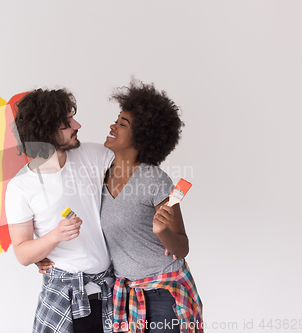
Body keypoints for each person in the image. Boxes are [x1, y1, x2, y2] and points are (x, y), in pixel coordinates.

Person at [5, 88, 116, 333]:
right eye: (67, 123)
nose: (77, 124)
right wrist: (55, 236)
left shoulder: (94, 155)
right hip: (63, 297)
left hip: (109, 293)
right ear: (46, 132)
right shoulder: (21, 186)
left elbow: (134, 172)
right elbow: (23, 254)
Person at [100, 79, 203, 333]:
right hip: (126, 295)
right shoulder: (100, 173)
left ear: (142, 136)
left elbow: (182, 247)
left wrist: (162, 232)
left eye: (122, 124)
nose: (113, 125)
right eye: (117, 119)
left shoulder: (155, 180)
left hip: (163, 296)